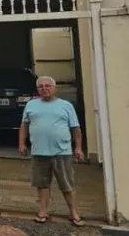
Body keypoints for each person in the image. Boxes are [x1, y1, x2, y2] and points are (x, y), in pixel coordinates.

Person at [18, 75, 84, 226]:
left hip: (62, 151)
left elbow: (75, 128)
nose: (44, 89)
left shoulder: (66, 105)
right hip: (39, 151)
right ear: (37, 90)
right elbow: (24, 126)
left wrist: (78, 148)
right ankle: (43, 211)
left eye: (48, 86)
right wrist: (22, 144)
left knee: (67, 184)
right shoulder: (31, 105)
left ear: (54, 88)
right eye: (41, 86)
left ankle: (73, 212)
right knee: (42, 184)